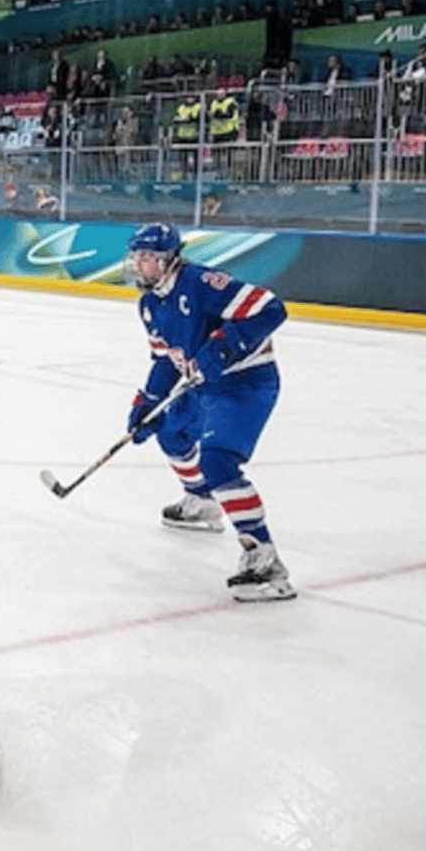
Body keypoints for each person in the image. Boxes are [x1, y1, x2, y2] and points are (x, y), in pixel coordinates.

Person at [122, 224, 295, 602]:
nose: (139, 265)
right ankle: (201, 501)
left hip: (245, 385)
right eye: (136, 257)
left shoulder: (201, 283)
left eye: (147, 258)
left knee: (218, 463)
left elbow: (270, 308)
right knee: (169, 431)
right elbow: (165, 360)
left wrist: (223, 348)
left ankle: (265, 561)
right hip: (202, 386)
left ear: (168, 259)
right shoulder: (150, 304)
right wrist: (147, 402)